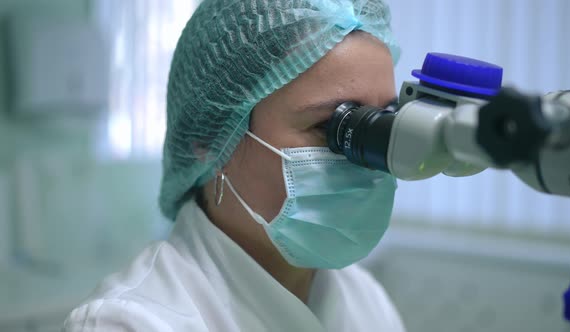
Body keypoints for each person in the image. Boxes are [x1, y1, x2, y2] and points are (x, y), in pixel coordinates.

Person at [64, 0, 405, 331]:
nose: (371, 161)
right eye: (333, 127)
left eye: (385, 121)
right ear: (210, 140)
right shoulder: (130, 322)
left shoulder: (365, 299)